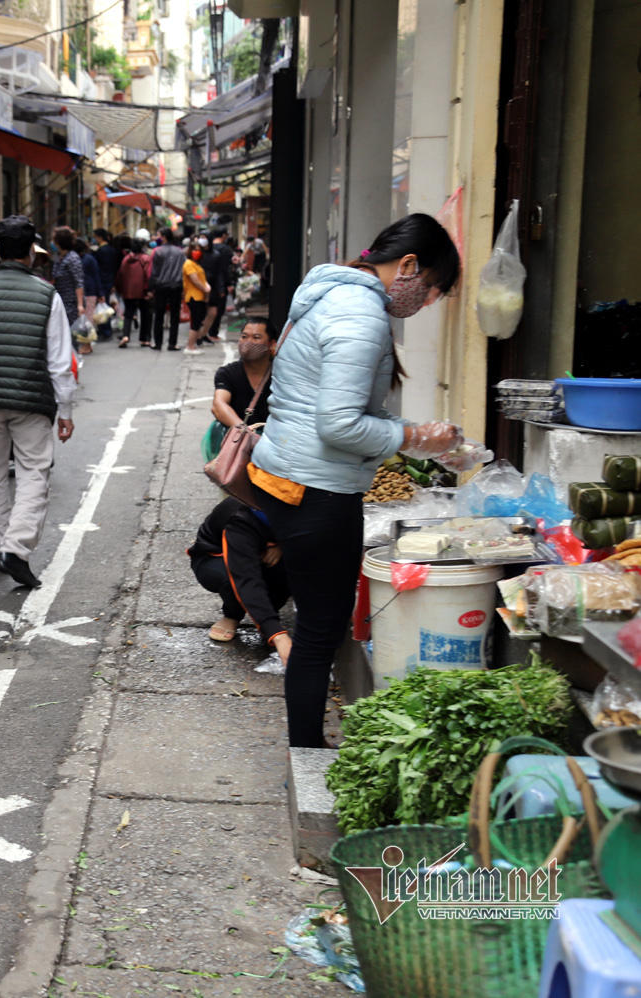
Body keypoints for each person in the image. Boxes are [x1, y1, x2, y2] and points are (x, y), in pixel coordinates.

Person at [249, 212, 464, 749]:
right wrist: (416, 436)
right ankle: (307, 751)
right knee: (321, 630)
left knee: (318, 625)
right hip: (316, 490)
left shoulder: (331, 296)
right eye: (432, 288)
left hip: (294, 478)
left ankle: (306, 744)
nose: (428, 302)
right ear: (409, 267)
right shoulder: (361, 315)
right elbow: (339, 423)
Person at [0, 215, 77, 589]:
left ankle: (3, 544)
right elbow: (60, 361)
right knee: (33, 472)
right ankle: (15, 548)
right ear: (30, 254)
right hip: (32, 400)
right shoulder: (47, 296)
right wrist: (66, 410)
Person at [188, 496, 293, 658]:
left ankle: (267, 616)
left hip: (264, 551)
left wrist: (281, 545)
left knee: (290, 565)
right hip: (215, 558)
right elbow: (246, 578)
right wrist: (278, 635)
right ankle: (232, 614)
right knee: (232, 580)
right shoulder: (240, 517)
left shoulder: (300, 505)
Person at [211, 317, 277, 431]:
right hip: (239, 441)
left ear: (271, 344)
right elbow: (218, 405)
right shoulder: (227, 373)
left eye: (256, 337)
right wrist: (244, 431)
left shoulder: (282, 375)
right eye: (244, 337)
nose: (248, 342)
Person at [149, 228, 185, 350]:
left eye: (158, 235)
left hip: (161, 286)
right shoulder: (180, 252)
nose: (156, 237)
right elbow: (183, 270)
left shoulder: (158, 251)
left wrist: (151, 288)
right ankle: (172, 343)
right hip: (176, 286)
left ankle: (158, 343)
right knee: (175, 316)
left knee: (159, 315)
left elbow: (153, 272)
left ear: (163, 237)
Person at [114, 235, 151, 349]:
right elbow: (148, 275)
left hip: (128, 292)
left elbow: (121, 275)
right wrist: (149, 289)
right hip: (142, 292)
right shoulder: (146, 258)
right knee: (145, 314)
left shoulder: (126, 259)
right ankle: (144, 339)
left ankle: (125, 335)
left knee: (128, 314)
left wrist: (120, 289)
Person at [202, 227, 234, 343]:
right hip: (214, 285)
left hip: (205, 284)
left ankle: (204, 333)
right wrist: (227, 284)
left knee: (209, 311)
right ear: (224, 235)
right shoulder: (225, 250)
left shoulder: (209, 251)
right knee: (215, 310)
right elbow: (224, 270)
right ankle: (209, 333)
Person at [49, 227, 84, 327]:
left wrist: (80, 305)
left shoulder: (73, 258)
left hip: (71, 304)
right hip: (61, 301)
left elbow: (79, 282)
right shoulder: (59, 258)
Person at [181, 239, 211, 354]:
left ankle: (193, 345)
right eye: (194, 250)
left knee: (198, 321)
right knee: (195, 322)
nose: (196, 252)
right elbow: (195, 281)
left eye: (199, 250)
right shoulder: (189, 264)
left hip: (200, 297)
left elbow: (202, 280)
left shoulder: (196, 264)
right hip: (193, 296)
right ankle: (190, 346)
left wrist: (206, 288)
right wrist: (206, 289)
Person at [92, 228, 120, 341]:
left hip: (103, 281)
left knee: (103, 306)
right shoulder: (111, 250)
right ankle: (105, 330)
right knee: (105, 305)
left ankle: (105, 330)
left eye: (95, 236)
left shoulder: (101, 251)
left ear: (100, 237)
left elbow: (99, 269)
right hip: (109, 280)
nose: (94, 239)